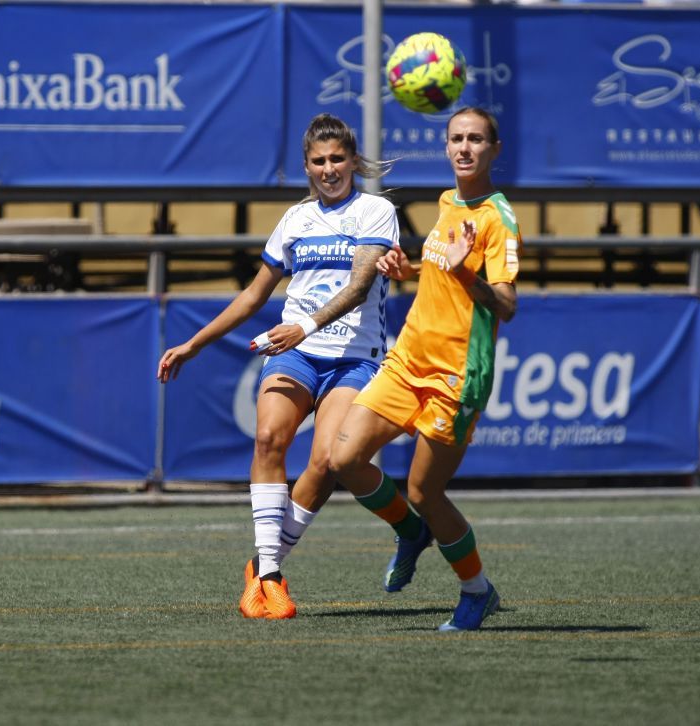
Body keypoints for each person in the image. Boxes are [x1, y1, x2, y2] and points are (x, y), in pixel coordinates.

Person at [157, 113, 398, 619]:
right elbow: (252, 295)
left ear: (353, 160)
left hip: (354, 357)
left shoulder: (376, 210)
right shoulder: (295, 219)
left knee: (330, 462)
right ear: (307, 167)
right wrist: (194, 344)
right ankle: (269, 576)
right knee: (269, 439)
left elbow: (358, 288)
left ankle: (261, 567)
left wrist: (305, 325)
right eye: (319, 161)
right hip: (296, 351)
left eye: (337, 159)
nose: (329, 169)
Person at [329, 107, 520, 631]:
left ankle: (477, 591)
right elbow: (441, 274)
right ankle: (412, 534)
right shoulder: (447, 201)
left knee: (424, 492)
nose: (464, 148)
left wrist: (467, 271)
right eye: (456, 138)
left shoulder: (497, 218)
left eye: (476, 140)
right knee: (342, 458)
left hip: (456, 374)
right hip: (408, 358)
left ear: (494, 150)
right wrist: (407, 268)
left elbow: (505, 304)